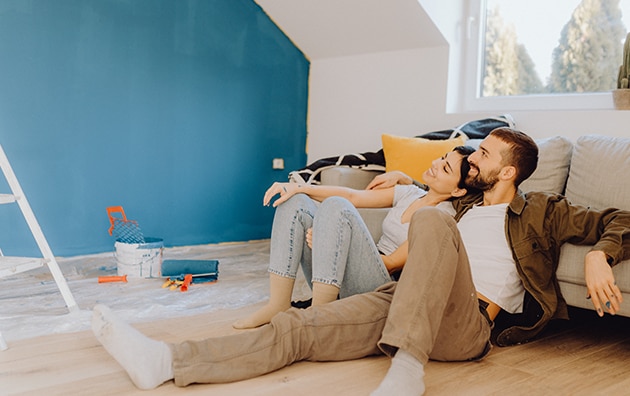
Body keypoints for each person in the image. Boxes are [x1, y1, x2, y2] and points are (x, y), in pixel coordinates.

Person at [91, 127, 629, 395]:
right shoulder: (455, 203)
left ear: (510, 172)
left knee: (431, 221)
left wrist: (601, 257)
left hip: (465, 325)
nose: (471, 160)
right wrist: (401, 179)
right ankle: (167, 363)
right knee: (299, 327)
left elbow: (621, 219)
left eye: (484, 154)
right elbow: (422, 192)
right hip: (401, 301)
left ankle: (408, 369)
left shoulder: (542, 211)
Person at [233, 146, 475, 329]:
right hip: (344, 272)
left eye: (445, 168)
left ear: (458, 190)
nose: (436, 163)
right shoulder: (411, 193)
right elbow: (355, 196)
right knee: (294, 202)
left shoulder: (441, 220)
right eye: (443, 158)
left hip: (380, 284)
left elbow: (391, 263)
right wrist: (300, 188)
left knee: (337, 206)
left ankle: (320, 315)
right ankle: (277, 304)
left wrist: (334, 243)